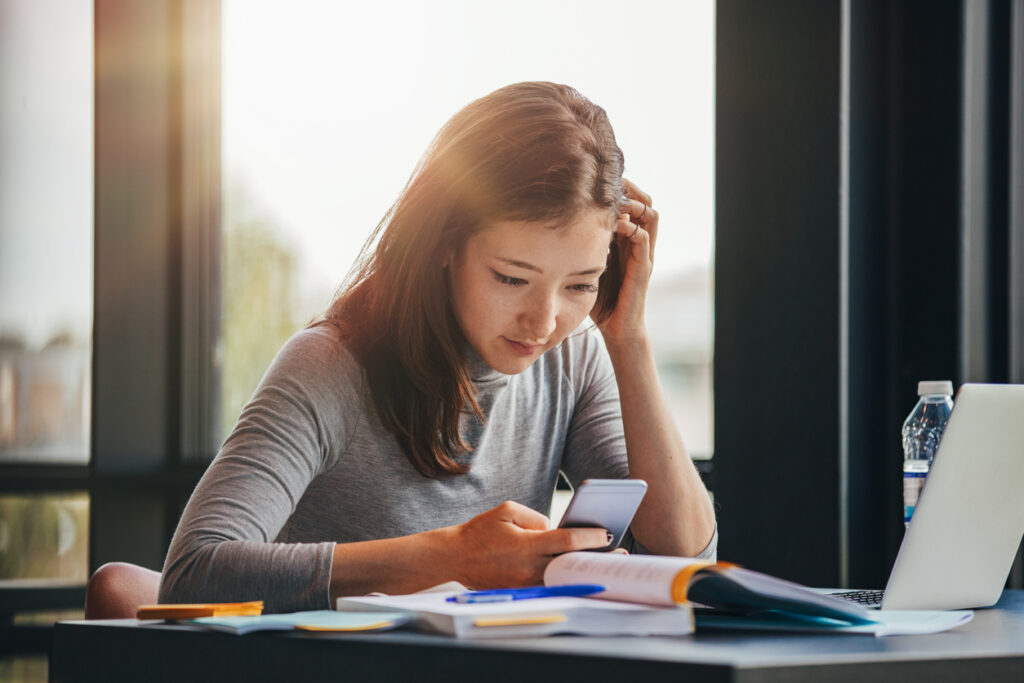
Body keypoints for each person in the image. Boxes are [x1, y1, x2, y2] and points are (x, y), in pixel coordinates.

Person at [160, 81, 717, 613]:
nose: (545, 321)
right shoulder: (329, 366)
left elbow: (688, 556)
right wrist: (451, 559)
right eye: (511, 278)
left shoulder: (572, 358)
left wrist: (630, 339)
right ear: (445, 244)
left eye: (580, 285)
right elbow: (193, 574)